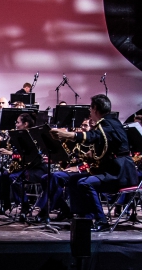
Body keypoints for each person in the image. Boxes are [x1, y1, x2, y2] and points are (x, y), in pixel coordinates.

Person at [54, 94, 137, 231]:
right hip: (111, 169)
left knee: (85, 183)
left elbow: (95, 136)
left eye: (90, 109)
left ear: (96, 109)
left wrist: (70, 135)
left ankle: (101, 220)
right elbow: (105, 145)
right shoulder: (109, 123)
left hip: (120, 173)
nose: (89, 112)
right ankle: (82, 216)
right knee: (74, 180)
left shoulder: (109, 124)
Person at [0, 112, 50, 220]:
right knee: (4, 176)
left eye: (18, 122)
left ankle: (25, 205)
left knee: (14, 177)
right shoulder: (18, 136)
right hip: (25, 167)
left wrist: (11, 154)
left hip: (37, 168)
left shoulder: (34, 136)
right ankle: (5, 205)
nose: (16, 124)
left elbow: (32, 156)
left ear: (25, 124)